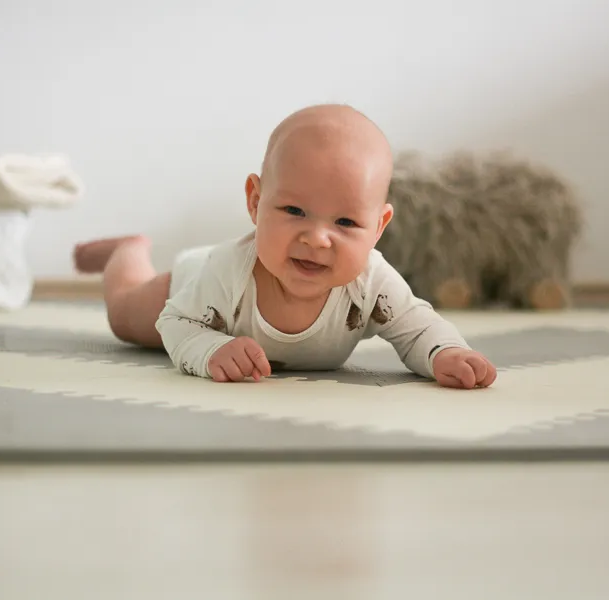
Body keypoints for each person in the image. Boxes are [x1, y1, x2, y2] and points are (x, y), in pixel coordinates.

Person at [73, 104, 497, 389]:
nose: (316, 238)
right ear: (256, 203)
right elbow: (177, 323)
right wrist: (212, 349)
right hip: (196, 291)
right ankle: (126, 251)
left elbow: (417, 327)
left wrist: (446, 352)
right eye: (294, 210)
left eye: (346, 222)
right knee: (126, 317)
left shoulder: (372, 282)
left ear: (378, 227)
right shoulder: (228, 272)